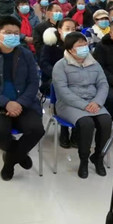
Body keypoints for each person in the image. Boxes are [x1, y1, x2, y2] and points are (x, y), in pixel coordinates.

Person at [0, 15, 45, 181]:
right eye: (8, 33)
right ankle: (19, 154)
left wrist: (20, 103)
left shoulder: (26, 55)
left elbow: (33, 83)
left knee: (36, 129)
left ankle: (9, 162)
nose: (13, 36)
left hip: (24, 103)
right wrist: (6, 103)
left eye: (16, 33)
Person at [53, 32, 111, 179]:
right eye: (80, 46)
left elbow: (103, 84)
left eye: (85, 44)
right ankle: (84, 160)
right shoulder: (60, 65)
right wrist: (84, 105)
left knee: (106, 121)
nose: (84, 48)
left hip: (93, 102)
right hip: (69, 104)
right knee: (86, 123)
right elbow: (62, 91)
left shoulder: (94, 63)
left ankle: (98, 157)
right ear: (70, 49)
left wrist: (97, 102)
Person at [40, 18, 77, 149]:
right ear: (59, 30)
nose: (71, 31)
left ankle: (76, 129)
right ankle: (64, 129)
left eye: (73, 29)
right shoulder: (50, 44)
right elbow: (44, 63)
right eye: (67, 29)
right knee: (61, 88)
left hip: (73, 80)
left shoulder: (78, 45)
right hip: (52, 80)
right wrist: (58, 74)